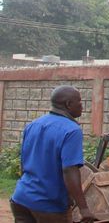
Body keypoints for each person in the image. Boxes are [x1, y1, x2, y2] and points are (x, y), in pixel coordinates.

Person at [10, 86, 96, 223]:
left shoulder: (33, 125)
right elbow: (69, 170)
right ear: (68, 104)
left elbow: (24, 164)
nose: (82, 105)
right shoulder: (71, 130)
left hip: (21, 199)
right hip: (49, 206)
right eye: (79, 101)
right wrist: (84, 208)